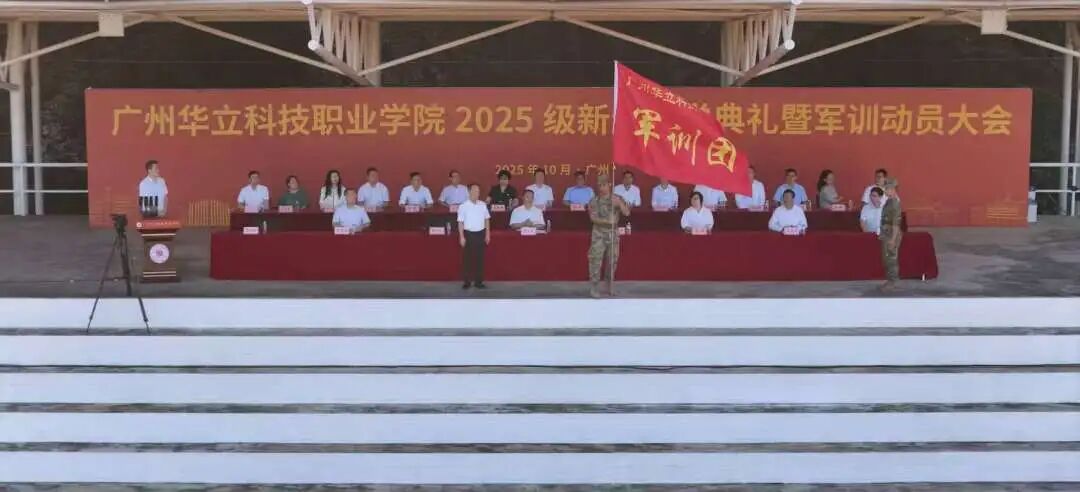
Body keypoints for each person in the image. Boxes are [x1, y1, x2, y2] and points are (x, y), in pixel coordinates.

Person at [588, 176, 630, 298]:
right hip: (599, 234)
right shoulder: (594, 201)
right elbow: (593, 218)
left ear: (609, 185)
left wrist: (619, 204)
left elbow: (627, 213)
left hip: (613, 234)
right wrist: (608, 222)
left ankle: (609, 286)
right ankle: (594, 287)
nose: (601, 188)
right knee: (595, 260)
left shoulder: (617, 198)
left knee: (612, 261)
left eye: (604, 185)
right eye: (599, 185)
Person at [457, 183, 491, 290]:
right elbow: (460, 222)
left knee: (479, 259)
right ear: (469, 192)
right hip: (468, 234)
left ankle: (478, 282)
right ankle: (467, 282)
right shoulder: (463, 206)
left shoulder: (482, 205)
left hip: (480, 234)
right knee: (467, 259)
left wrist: (487, 234)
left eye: (478, 191)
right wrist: (461, 237)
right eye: (475, 191)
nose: (477, 193)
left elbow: (487, 220)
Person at [879, 178, 903, 291]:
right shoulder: (889, 201)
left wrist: (893, 239)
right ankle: (889, 280)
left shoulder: (895, 203)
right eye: (885, 188)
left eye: (887, 188)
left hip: (892, 234)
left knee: (891, 259)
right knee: (886, 258)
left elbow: (896, 224)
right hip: (886, 233)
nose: (885, 190)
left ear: (893, 189)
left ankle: (893, 282)